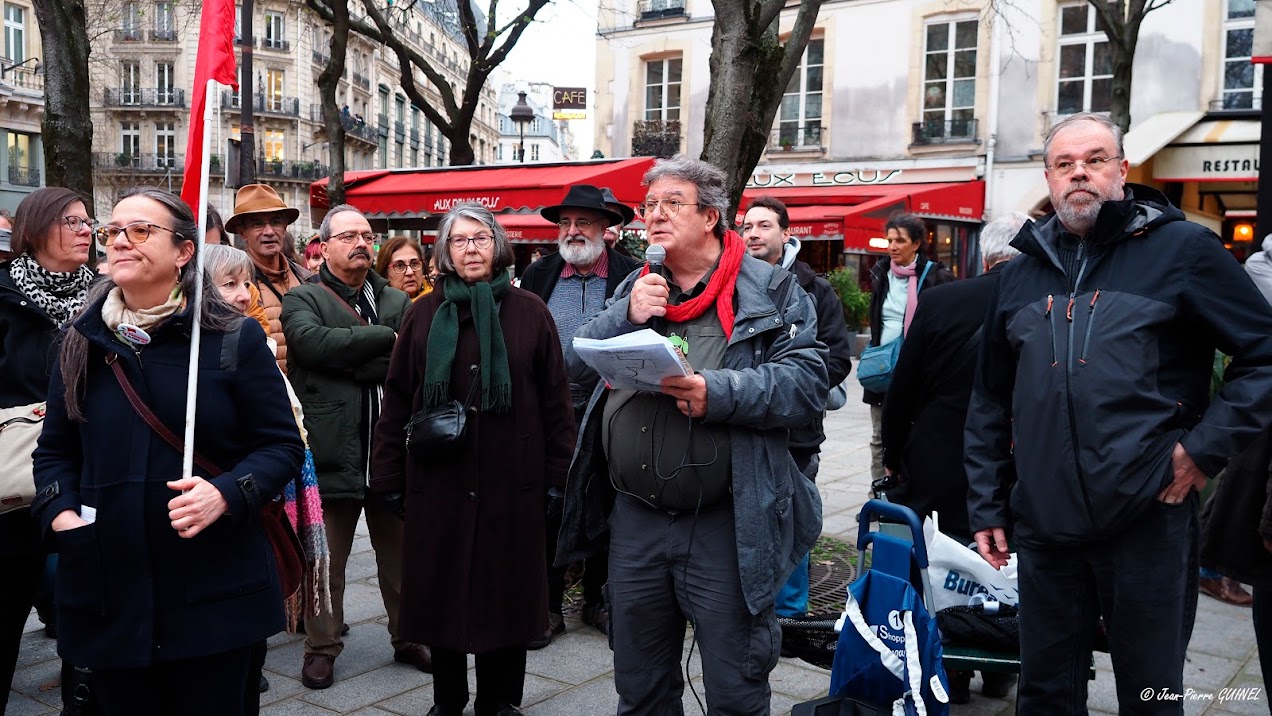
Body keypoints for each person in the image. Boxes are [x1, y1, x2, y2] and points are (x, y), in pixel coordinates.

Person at [965, 112, 1272, 713]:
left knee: (1151, 694)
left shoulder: (1183, 250)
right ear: (1049, 178)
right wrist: (986, 501)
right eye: (1064, 163)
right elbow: (988, 398)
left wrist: (1200, 452)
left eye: (1095, 159)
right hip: (1046, 524)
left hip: (1149, 515)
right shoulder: (1020, 273)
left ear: (1122, 171)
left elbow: (1263, 357)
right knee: (1046, 692)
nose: (1079, 172)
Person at [557, 156, 827, 714]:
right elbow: (574, 363)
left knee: (735, 686)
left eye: (671, 204)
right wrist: (625, 318)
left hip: (727, 522)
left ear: (710, 216)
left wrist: (717, 393)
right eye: (648, 206)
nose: (655, 217)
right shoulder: (639, 285)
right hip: (635, 521)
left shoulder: (770, 288)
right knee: (640, 683)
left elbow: (805, 384)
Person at [30, 188, 305, 715]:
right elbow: (55, 452)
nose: (120, 241)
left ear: (183, 252)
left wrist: (225, 494)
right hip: (110, 588)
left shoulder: (233, 339)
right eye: (114, 231)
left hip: (214, 591)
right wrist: (61, 515)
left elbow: (280, 446)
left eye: (140, 230)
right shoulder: (80, 341)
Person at [372, 202, 576, 716]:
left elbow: (557, 401)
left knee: (505, 596)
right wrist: (388, 475)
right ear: (444, 251)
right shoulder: (421, 313)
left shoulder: (530, 310)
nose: (470, 249)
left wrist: (558, 477)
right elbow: (397, 399)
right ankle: (447, 700)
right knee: (441, 594)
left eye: (480, 239)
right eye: (459, 241)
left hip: (514, 482)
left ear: (498, 246)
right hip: (437, 482)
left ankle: (500, 701)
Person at [879, 211, 1028, 704]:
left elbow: (902, 389)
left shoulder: (943, 299)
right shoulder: (1043, 301)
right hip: (1013, 459)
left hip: (940, 455)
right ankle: (1003, 662)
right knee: (1005, 559)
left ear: (984, 256)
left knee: (941, 561)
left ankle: (950, 666)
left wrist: (894, 455)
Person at [280, 204, 426, 689]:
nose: (361, 242)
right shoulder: (303, 298)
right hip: (330, 448)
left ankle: (408, 636)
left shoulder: (397, 302)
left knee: (401, 557)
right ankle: (321, 647)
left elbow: (407, 366)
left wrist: (348, 355)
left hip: (389, 452)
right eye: (347, 235)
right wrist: (381, 341)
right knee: (325, 560)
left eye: (366, 234)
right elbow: (310, 347)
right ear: (323, 246)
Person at [520, 184, 642, 647]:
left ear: (605, 227)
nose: (572, 231)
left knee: (609, 502)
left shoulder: (632, 274)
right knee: (548, 505)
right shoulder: (539, 274)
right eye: (566, 223)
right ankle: (547, 607)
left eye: (584, 222)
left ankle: (598, 600)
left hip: (612, 407)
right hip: (548, 411)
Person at [0, 188, 96, 713]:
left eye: (88, 222)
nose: (86, 231)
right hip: (15, 483)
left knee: (86, 609)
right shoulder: (3, 299)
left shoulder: (107, 297)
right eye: (72, 221)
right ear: (35, 230)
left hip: (88, 474)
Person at [741, 195, 853, 618]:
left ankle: (789, 611)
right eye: (747, 226)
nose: (753, 233)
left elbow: (838, 359)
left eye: (764, 225)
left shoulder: (814, 289)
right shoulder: (731, 281)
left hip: (796, 430)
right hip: (741, 423)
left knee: (791, 516)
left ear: (786, 234)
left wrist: (785, 385)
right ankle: (742, 606)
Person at [863, 213, 954, 484]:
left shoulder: (936, 276)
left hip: (918, 372)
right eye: (889, 240)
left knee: (914, 434)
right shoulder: (881, 273)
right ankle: (878, 495)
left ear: (916, 244)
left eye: (900, 240)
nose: (892, 246)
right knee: (880, 437)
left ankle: (911, 493)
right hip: (884, 369)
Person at [226, 184, 312, 373]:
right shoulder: (232, 287)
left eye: (275, 222)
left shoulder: (307, 279)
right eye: (257, 224)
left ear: (284, 227)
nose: (269, 231)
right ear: (242, 232)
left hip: (309, 394)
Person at [375, 236, 430, 300]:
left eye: (414, 264)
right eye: (400, 266)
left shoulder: (437, 302)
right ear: (385, 273)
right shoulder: (375, 306)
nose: (410, 272)